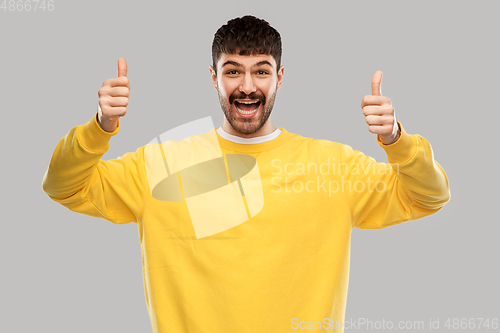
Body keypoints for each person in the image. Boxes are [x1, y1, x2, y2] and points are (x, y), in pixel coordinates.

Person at [42, 15, 450, 333]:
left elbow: (429, 196)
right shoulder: (160, 164)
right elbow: (63, 185)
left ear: (280, 78)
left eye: (262, 71)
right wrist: (101, 126)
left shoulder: (334, 166)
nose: (248, 86)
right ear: (213, 77)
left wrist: (396, 139)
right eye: (233, 70)